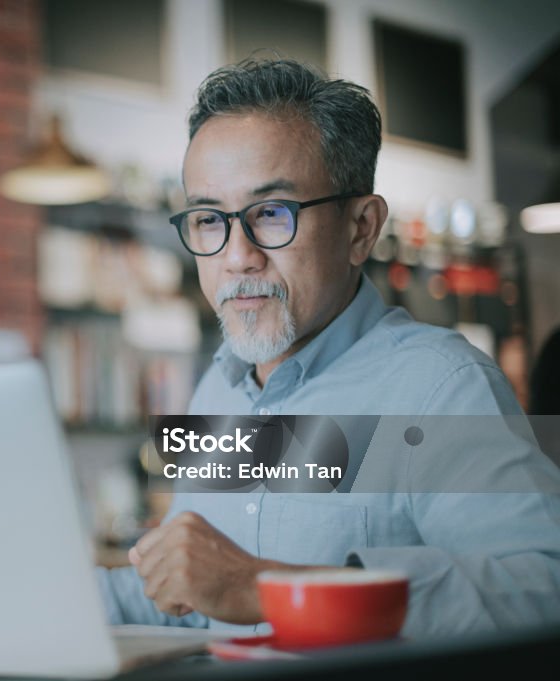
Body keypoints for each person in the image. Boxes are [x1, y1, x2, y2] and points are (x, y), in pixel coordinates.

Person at [96, 58, 560, 638]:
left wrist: (268, 589)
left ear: (361, 228)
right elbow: (190, 599)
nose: (237, 257)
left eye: (271, 213)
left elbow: (544, 591)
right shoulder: (216, 389)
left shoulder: (441, 386)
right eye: (209, 220)